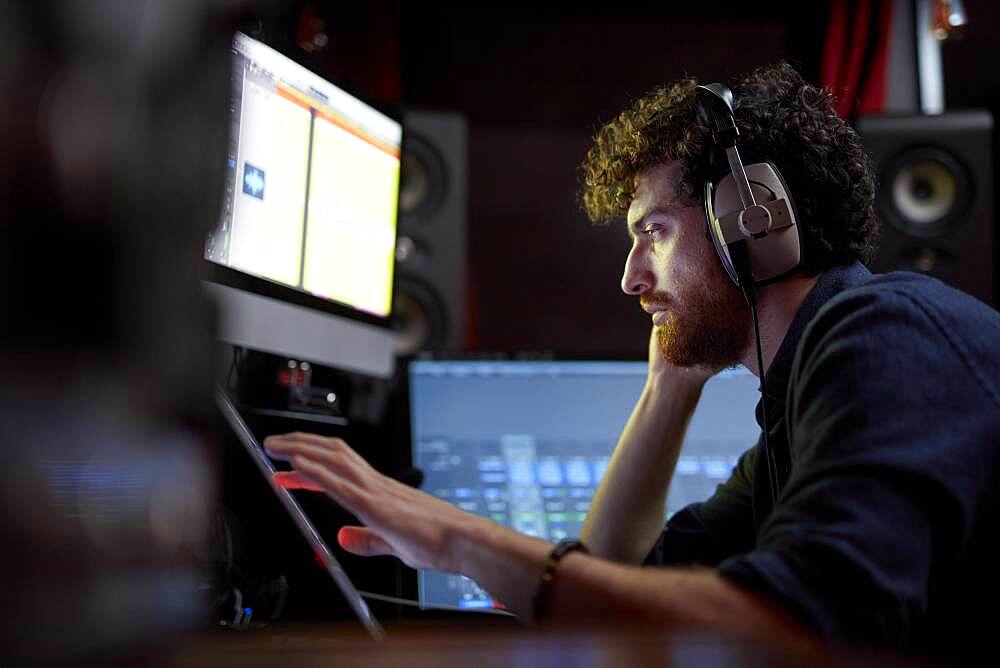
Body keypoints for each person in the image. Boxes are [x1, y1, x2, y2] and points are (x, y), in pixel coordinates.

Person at [264, 62, 1000, 661]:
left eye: (653, 232)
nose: (631, 279)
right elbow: (617, 592)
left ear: (753, 220)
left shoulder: (888, 333)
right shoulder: (798, 407)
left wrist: (456, 537)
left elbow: (796, 627)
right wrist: (666, 387)